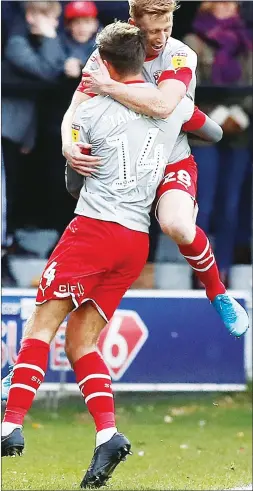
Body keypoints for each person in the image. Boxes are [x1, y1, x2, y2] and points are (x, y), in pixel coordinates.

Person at [1, 21, 203, 488]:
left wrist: (72, 146)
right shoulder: (170, 109)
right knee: (80, 344)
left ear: (104, 64)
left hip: (93, 231)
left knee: (41, 327)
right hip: (135, 241)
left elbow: (71, 143)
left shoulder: (94, 109)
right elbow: (206, 129)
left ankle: (9, 426)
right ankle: (107, 436)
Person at [61, 0, 249, 338]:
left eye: (167, 28)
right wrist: (68, 143)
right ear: (133, 23)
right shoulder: (108, 53)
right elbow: (76, 108)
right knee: (85, 252)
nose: (161, 38)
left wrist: (108, 87)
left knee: (177, 224)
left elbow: (163, 106)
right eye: (152, 32)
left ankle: (217, 293)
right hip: (121, 166)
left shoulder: (180, 54)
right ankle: (27, 357)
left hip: (169, 157)